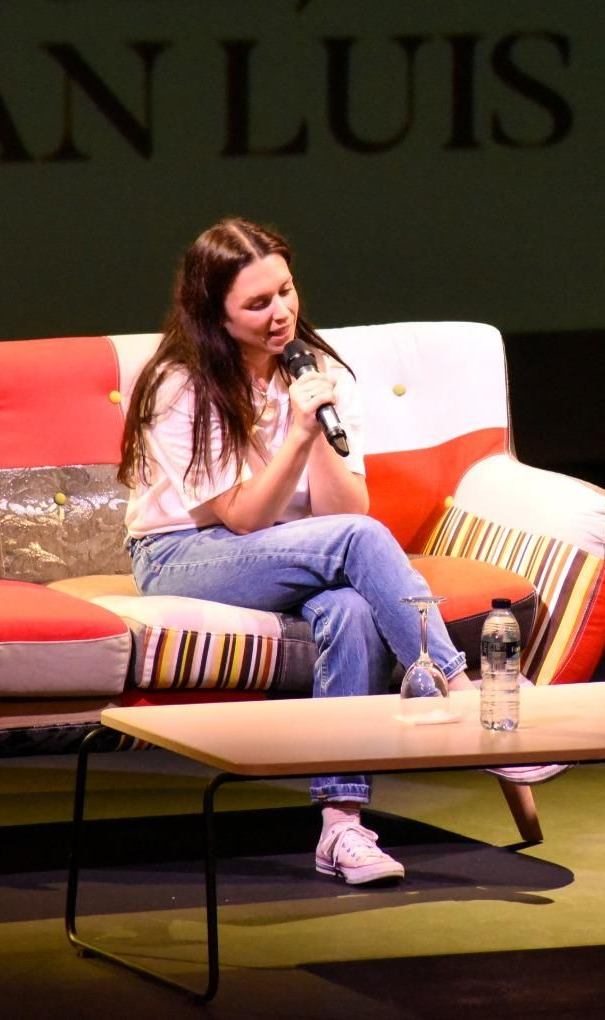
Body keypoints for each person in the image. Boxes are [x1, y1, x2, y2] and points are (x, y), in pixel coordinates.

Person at [118, 218, 480, 887]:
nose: (281, 312)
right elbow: (244, 517)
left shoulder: (322, 373)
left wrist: (315, 427)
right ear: (214, 314)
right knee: (360, 545)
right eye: (257, 304)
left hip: (290, 551)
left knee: (348, 608)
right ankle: (465, 697)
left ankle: (341, 828)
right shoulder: (181, 384)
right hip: (182, 553)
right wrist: (294, 437)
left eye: (285, 292)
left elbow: (345, 512)